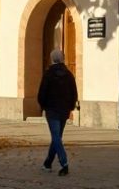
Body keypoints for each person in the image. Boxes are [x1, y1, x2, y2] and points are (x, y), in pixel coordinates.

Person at [36, 48, 77, 176]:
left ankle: (64, 163)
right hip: (64, 110)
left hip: (52, 110)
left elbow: (42, 92)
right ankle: (47, 163)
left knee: (56, 137)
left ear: (52, 59)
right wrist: (70, 106)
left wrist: (43, 106)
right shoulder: (69, 74)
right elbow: (74, 93)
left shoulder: (48, 74)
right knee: (57, 137)